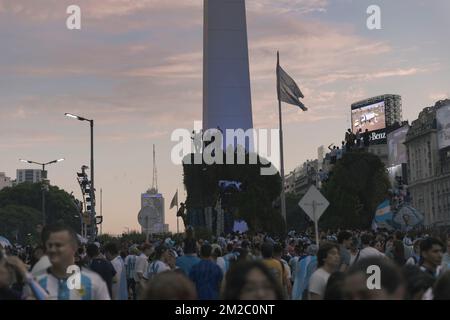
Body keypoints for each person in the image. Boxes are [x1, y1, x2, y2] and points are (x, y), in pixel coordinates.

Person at [35, 224, 110, 300]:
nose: (53, 250)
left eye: (58, 245)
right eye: (50, 245)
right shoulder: (37, 283)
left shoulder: (94, 282)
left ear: (73, 247)